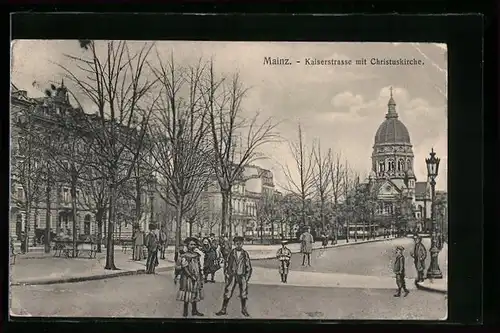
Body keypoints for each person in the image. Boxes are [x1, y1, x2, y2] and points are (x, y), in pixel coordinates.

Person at [215, 236, 252, 317]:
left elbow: (248, 266)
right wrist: (227, 274)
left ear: (242, 244)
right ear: (234, 244)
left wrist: (246, 277)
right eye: (237, 243)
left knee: (243, 293)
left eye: (240, 243)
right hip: (232, 275)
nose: (238, 245)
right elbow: (227, 264)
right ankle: (223, 309)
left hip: (242, 275)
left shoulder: (245, 254)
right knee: (228, 291)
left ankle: (243, 309)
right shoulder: (231, 253)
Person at [176, 237, 204, 317]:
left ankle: (194, 310)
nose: (193, 246)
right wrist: (191, 276)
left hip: (196, 276)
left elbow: (199, 265)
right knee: (187, 294)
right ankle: (185, 312)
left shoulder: (196, 255)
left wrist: (200, 275)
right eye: (191, 244)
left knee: (194, 293)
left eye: (194, 244)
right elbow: (184, 267)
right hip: (187, 277)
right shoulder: (185, 256)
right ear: (187, 245)